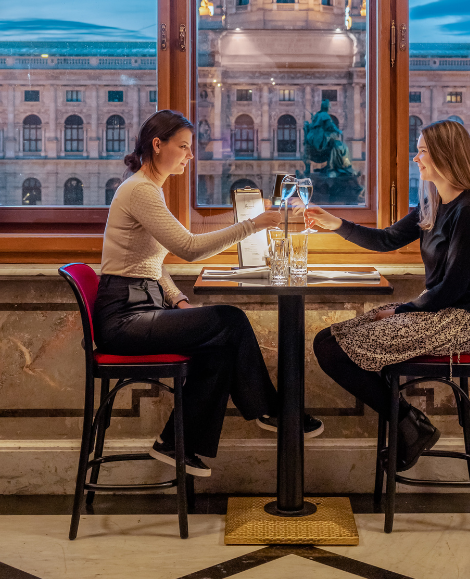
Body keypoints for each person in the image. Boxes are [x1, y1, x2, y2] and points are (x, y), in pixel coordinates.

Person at [94, 110, 324, 478]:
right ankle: (272, 410)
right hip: (124, 318)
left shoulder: (147, 189)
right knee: (230, 320)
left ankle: (176, 444)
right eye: (183, 147)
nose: (190, 155)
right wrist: (252, 224)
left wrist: (177, 300)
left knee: (218, 347)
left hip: (140, 306)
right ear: (158, 145)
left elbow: (151, 262)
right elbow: (188, 247)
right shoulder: (140, 190)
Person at [302, 119, 470, 472]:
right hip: (434, 312)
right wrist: (336, 224)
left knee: (331, 348)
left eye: (422, 150)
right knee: (327, 341)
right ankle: (411, 423)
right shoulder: (435, 203)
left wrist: (404, 310)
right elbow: (386, 240)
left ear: (444, 155)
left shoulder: (469, 210)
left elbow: (453, 287)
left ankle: (410, 424)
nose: (415, 157)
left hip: (456, 322)